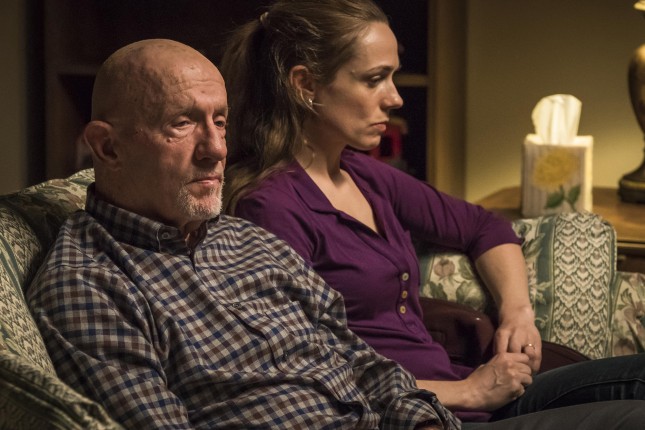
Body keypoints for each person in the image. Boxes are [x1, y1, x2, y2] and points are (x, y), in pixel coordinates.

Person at [219, 0, 645, 426]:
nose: (395, 97)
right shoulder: (270, 208)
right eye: (374, 79)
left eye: (393, 76)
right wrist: (469, 390)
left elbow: (484, 227)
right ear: (305, 84)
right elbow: (301, 370)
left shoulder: (362, 174)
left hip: (475, 396)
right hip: (422, 415)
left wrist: (517, 314)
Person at [26, 38, 456, 430]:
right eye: (182, 123)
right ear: (108, 147)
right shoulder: (88, 283)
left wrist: (424, 422)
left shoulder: (252, 241)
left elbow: (362, 362)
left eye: (220, 122)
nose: (216, 149)